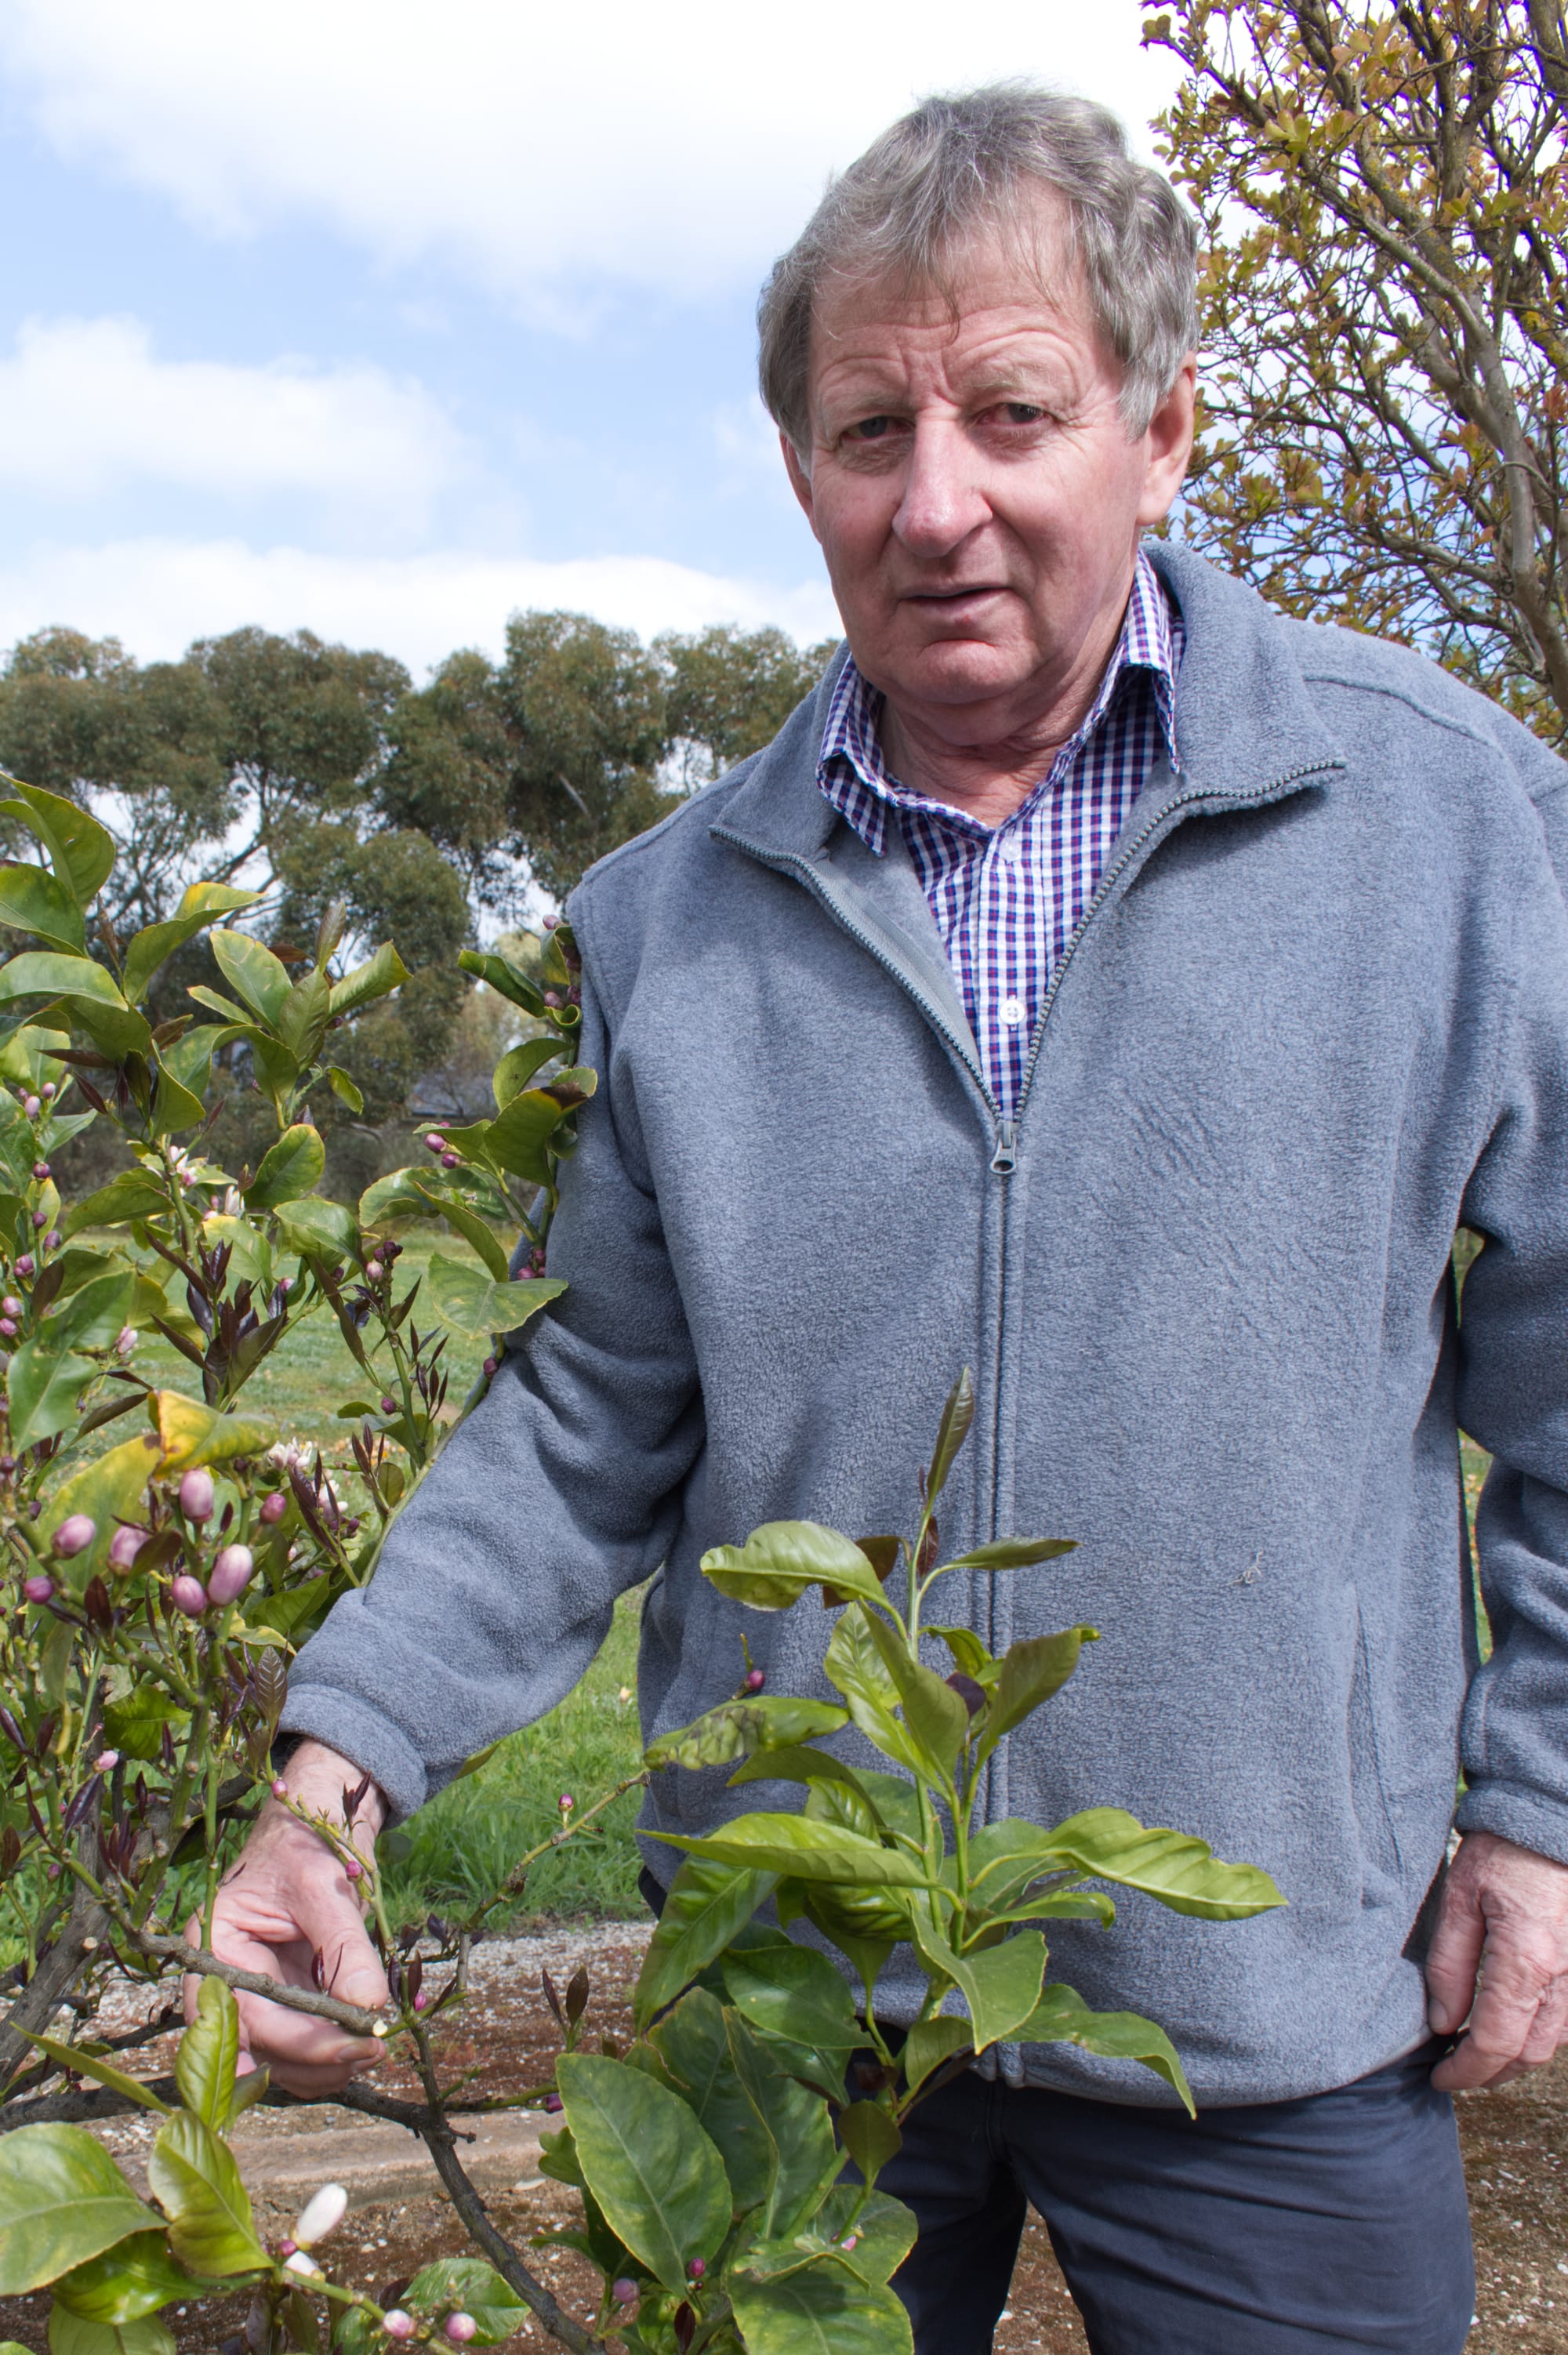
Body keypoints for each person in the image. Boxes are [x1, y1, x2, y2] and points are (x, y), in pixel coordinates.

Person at [205, 85, 1568, 2354]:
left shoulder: (1448, 827)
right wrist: (333, 1773)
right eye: (869, 432)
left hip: (1267, 2004)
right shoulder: (671, 918)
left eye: (1013, 413)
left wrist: (1537, 1806)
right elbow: (590, 1412)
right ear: (802, 471)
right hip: (795, 2018)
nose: (936, 502)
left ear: (1162, 431)